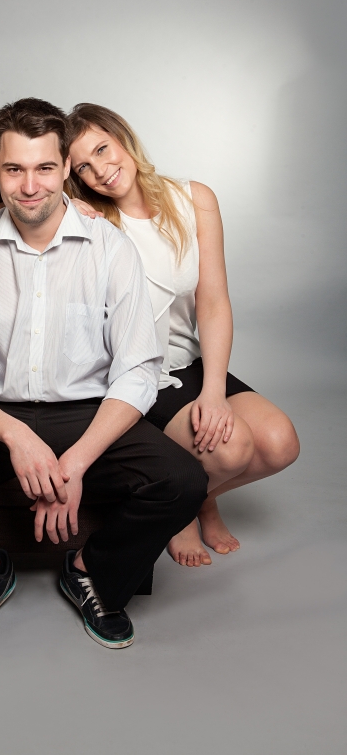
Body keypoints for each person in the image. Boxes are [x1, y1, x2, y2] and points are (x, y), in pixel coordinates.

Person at [0, 97, 208, 651]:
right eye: (14, 169)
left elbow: (138, 371)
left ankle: (90, 572)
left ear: (66, 168)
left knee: (184, 481)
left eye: (45, 167)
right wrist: (17, 437)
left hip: (86, 413)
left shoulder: (110, 248)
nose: (30, 186)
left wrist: (75, 462)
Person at [67, 103, 300, 567]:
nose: (101, 171)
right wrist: (64, 204)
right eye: (83, 168)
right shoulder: (93, 222)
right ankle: (181, 511)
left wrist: (213, 391)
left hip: (188, 361)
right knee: (232, 450)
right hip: (140, 374)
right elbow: (14, 203)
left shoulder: (193, 198)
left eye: (102, 149)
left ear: (122, 138)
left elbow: (213, 303)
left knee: (280, 443)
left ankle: (197, 498)